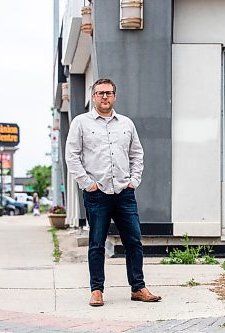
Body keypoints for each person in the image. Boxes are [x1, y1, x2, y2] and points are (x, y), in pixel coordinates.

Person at [65, 78, 161, 307]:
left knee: (133, 241)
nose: (104, 97)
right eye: (100, 93)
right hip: (97, 194)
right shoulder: (81, 122)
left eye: (108, 93)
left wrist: (134, 181)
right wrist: (87, 184)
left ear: (115, 96)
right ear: (94, 96)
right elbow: (72, 156)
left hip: (124, 193)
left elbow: (137, 154)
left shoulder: (126, 124)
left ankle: (138, 288)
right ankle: (96, 290)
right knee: (97, 244)